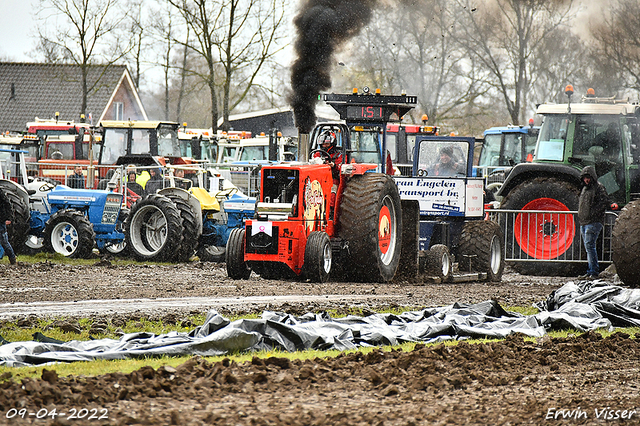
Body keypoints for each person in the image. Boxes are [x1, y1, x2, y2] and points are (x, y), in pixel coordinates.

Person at [578, 166, 613, 279]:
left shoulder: (598, 188)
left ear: (592, 177)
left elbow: (603, 202)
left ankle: (593, 271)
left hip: (593, 222)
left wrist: (593, 214)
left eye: (588, 177)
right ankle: (591, 271)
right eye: (585, 178)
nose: (586, 180)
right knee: (589, 247)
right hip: (585, 222)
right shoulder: (585, 189)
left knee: (590, 246)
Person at [312, 130, 343, 217]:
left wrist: (334, 165)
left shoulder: (339, 155)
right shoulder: (317, 154)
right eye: (323, 144)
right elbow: (313, 161)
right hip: (318, 179)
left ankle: (330, 212)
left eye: (326, 144)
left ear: (332, 143)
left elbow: (341, 166)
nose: (324, 146)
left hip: (333, 179)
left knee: (332, 192)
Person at [0, 187, 17, 265]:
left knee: (4, 242)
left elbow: (7, 204)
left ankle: (12, 258)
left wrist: (9, 218)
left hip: (1, 220)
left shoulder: (1, 193)